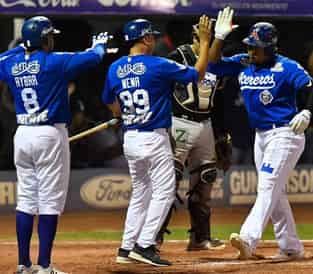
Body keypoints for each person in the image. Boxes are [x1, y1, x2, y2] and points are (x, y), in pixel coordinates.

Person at [208, 7, 313, 261]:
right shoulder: (244, 63)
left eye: (256, 47)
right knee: (276, 192)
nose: (251, 50)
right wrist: (219, 38)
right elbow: (213, 64)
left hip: (285, 133)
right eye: (249, 45)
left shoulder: (286, 66)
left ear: (270, 47)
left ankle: (248, 239)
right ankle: (291, 247)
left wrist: (306, 113)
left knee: (268, 185)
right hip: (261, 136)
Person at [0, 16, 109, 274]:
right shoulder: (56, 61)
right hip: (49, 133)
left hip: (23, 133)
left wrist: (22, 46)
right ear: (44, 38)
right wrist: (100, 45)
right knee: (49, 201)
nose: (52, 39)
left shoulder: (12, 63)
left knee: (26, 200)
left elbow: (7, 56)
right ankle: (45, 266)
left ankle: (23, 264)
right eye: (49, 35)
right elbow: (94, 58)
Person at [102, 16, 212, 266]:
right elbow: (197, 74)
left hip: (130, 138)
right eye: (152, 35)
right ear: (146, 38)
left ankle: (126, 248)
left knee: (141, 193)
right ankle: (145, 245)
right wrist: (205, 43)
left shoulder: (115, 67)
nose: (155, 39)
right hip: (153, 137)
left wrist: (124, 114)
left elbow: (111, 104)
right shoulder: (157, 64)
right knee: (163, 191)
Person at [155, 21, 231, 251]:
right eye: (204, 38)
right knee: (169, 181)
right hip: (178, 121)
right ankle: (154, 237)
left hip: (205, 123)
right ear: (195, 38)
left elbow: (219, 103)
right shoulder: (177, 56)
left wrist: (221, 134)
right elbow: (161, 89)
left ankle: (199, 237)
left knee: (206, 179)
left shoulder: (217, 62)